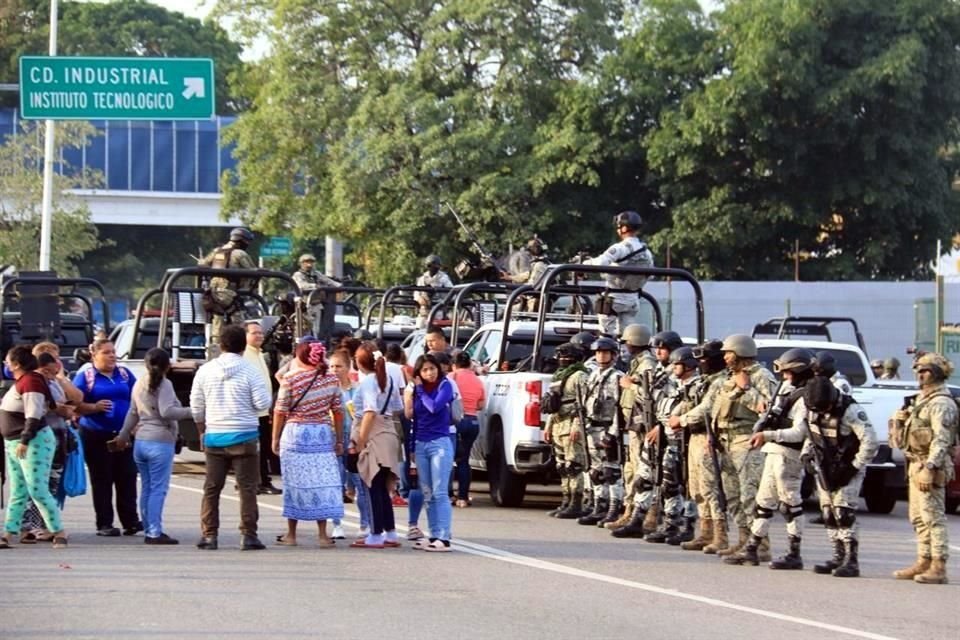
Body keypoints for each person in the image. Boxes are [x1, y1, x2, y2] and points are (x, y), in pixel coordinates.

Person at [667, 334, 776, 557]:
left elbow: (769, 410)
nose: (725, 357)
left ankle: (760, 544)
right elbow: (713, 407)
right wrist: (712, 436)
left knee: (750, 495)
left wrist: (746, 390)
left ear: (740, 353)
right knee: (733, 496)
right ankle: (744, 540)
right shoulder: (729, 377)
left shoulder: (761, 377)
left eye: (729, 353)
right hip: (725, 441)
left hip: (747, 440)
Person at [726, 348, 814, 568]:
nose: (784, 377)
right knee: (763, 503)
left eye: (788, 372)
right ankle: (752, 548)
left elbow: (800, 432)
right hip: (774, 451)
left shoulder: (805, 396)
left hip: (789, 454)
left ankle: (794, 553)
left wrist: (768, 435)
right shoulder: (786, 389)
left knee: (790, 504)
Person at [191, 324, 272, 551]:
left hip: (215, 435)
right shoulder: (250, 370)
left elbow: (196, 406)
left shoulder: (205, 371)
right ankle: (248, 535)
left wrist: (201, 430)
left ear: (221, 345)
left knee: (211, 488)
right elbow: (262, 403)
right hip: (244, 436)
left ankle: (209, 535)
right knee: (247, 488)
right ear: (242, 345)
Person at [889, 352, 958, 584]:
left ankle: (938, 566)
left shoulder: (941, 404)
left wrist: (930, 467)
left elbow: (942, 439)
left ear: (937, 373)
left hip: (930, 464)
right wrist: (899, 422)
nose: (920, 374)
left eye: (926, 370)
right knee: (917, 517)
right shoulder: (921, 400)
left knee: (933, 517)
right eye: (918, 370)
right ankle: (924, 560)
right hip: (916, 462)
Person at [114, 348, 192, 545]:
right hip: (160, 440)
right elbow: (167, 411)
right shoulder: (165, 384)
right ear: (167, 365)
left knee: (148, 487)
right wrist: (193, 411)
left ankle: (149, 527)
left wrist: (123, 435)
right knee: (158, 488)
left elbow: (132, 412)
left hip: (141, 441)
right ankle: (155, 532)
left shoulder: (139, 382)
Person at [802, 377, 877, 578]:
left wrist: (853, 468)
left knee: (843, 513)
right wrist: (806, 457)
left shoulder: (850, 410)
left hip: (848, 466)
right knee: (828, 514)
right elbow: (811, 435)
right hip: (824, 466)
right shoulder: (812, 408)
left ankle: (851, 560)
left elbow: (871, 442)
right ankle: (837, 556)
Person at [271, 340, 344, 547]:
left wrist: (275, 438)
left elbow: (280, 410)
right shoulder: (331, 379)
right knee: (320, 483)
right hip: (321, 434)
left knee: (294, 484)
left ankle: (291, 534)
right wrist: (339, 439)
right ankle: (322, 535)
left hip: (295, 434)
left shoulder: (290, 378)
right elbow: (338, 412)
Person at [611, 330, 680, 538]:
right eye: (656, 347)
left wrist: (661, 426)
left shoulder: (676, 374)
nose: (658, 351)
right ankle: (637, 519)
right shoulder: (658, 370)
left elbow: (677, 403)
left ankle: (668, 522)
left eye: (663, 348)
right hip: (650, 426)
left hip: (668, 432)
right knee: (644, 476)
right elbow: (647, 396)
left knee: (669, 481)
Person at [0, 346, 69, 549]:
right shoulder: (24, 381)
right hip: (15, 442)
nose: (5, 364)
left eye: (7, 361)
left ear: (17, 364)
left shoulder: (30, 382)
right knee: (19, 490)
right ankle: (9, 532)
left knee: (37, 489)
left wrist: (24, 439)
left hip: (32, 442)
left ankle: (58, 532)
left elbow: (34, 413)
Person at [72, 338, 140, 537]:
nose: (112, 356)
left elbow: (137, 398)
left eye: (113, 352)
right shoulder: (86, 377)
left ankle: (131, 521)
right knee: (102, 479)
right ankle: (104, 523)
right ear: (94, 355)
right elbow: (73, 404)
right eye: (106, 352)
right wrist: (94, 407)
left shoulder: (125, 374)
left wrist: (136, 424)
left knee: (127, 477)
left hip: (123, 434)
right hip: (96, 434)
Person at [19, 344, 81, 542]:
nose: (57, 363)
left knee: (52, 483)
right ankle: (32, 526)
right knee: (37, 485)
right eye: (52, 359)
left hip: (58, 436)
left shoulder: (54, 381)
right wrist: (60, 409)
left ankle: (47, 525)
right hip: (40, 437)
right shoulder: (33, 381)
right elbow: (36, 409)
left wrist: (61, 378)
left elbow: (78, 398)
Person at [676, 339, 728, 551]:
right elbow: (689, 402)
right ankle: (705, 532)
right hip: (694, 437)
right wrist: (676, 414)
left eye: (706, 359)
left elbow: (706, 408)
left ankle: (720, 536)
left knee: (710, 488)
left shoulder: (720, 381)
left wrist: (681, 420)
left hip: (709, 438)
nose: (702, 363)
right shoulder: (704, 381)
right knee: (696, 487)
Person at [351, 342, 403, 549]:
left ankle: (375, 533)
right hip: (388, 432)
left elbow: (370, 411)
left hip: (372, 435)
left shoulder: (367, 382)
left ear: (360, 362)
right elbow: (397, 407)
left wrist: (360, 440)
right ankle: (390, 532)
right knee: (382, 486)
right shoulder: (387, 379)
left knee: (371, 484)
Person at [404, 353, 457, 551]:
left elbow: (434, 407)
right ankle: (434, 533)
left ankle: (444, 537)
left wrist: (418, 389)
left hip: (440, 442)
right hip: (420, 443)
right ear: (419, 372)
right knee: (427, 492)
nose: (429, 373)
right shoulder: (417, 391)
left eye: (432, 368)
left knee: (440, 491)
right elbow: (413, 419)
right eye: (424, 370)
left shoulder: (445, 385)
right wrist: (411, 448)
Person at [608, 324, 655, 529]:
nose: (626, 346)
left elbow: (649, 394)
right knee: (630, 469)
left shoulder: (647, 364)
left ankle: (641, 514)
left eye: (628, 342)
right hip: (633, 424)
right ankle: (629, 511)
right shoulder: (636, 363)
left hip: (643, 425)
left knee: (640, 471)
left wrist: (630, 386)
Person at [576, 337, 624, 527]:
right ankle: (599, 506)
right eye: (598, 352)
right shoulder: (593, 375)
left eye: (605, 352)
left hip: (607, 427)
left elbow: (621, 408)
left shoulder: (616, 377)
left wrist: (612, 434)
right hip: (591, 427)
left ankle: (613, 508)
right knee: (595, 471)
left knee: (611, 471)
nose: (601, 356)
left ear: (613, 355)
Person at [583, 211, 655, 337]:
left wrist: (583, 264)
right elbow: (651, 274)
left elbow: (599, 263)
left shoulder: (620, 248)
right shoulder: (646, 252)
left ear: (624, 228)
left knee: (606, 337)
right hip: (633, 299)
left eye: (619, 226)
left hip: (614, 299)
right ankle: (626, 355)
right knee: (627, 338)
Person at [543, 343, 590, 519]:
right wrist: (548, 426)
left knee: (573, 465)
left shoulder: (580, 376)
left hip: (571, 424)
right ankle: (565, 499)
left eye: (565, 355)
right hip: (558, 424)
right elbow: (552, 403)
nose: (561, 359)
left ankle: (576, 502)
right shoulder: (559, 376)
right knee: (562, 466)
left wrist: (577, 426)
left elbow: (583, 404)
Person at [330, 349, 372, 539]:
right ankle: (337, 524)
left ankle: (365, 523)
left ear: (348, 368)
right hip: (334, 438)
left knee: (359, 483)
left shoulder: (358, 388)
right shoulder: (328, 390)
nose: (335, 370)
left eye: (339, 366)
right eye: (331, 366)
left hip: (355, 438)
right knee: (336, 482)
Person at [198, 227, 257, 358]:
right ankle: (240, 354)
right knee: (239, 327)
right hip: (230, 294)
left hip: (212, 295)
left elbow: (203, 264)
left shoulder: (217, 251)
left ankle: (214, 355)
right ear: (242, 241)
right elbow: (252, 271)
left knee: (217, 327)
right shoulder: (240, 254)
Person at [244, 321, 282, 495]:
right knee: (257, 448)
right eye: (254, 333)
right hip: (253, 411)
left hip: (263, 410)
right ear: (245, 336)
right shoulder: (245, 355)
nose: (259, 335)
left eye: (260, 333)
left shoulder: (259, 354)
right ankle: (258, 481)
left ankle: (262, 480)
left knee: (264, 447)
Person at [449, 350, 485, 508]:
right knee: (464, 461)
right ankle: (463, 497)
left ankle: (448, 495)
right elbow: (481, 405)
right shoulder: (477, 380)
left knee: (449, 460)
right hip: (473, 422)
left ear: (454, 365)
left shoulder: (451, 378)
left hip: (456, 422)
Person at [292, 253, 341, 335]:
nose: (309, 264)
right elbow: (301, 286)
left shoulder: (316, 274)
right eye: (306, 262)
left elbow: (328, 281)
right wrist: (316, 286)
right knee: (304, 329)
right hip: (303, 306)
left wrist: (340, 286)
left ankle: (316, 344)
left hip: (316, 305)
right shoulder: (298, 275)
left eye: (311, 262)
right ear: (301, 263)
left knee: (316, 330)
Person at [414, 256, 454, 328]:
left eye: (436, 265)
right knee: (420, 325)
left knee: (436, 329)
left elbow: (452, 293)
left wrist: (443, 299)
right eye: (431, 265)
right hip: (425, 309)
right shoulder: (422, 278)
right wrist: (420, 299)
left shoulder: (443, 278)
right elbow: (416, 293)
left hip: (438, 309)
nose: (434, 268)